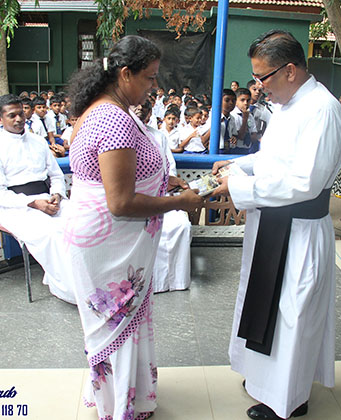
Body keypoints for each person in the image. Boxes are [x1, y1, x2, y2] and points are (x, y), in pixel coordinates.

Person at [63, 35, 203, 419]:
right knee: (118, 324)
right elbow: (121, 202)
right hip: (109, 242)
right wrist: (180, 203)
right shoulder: (113, 119)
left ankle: (124, 396)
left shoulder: (101, 110)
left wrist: (163, 183)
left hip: (103, 237)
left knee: (127, 323)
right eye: (149, 78)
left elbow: (120, 178)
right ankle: (121, 407)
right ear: (125, 74)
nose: (154, 87)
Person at [211, 30, 341, 420]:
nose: (257, 88)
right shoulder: (287, 105)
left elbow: (304, 182)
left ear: (289, 71)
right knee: (263, 305)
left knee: (292, 314)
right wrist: (238, 167)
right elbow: (271, 158)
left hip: (300, 229)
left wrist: (238, 187)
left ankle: (289, 399)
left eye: (262, 78)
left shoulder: (322, 109)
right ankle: (262, 380)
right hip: (272, 224)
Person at [0, 94, 75, 304]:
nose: (18, 119)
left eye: (21, 113)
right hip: (15, 207)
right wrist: (33, 203)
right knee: (52, 233)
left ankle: (88, 280)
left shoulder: (38, 141)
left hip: (47, 198)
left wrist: (57, 195)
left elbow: (56, 175)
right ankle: (67, 288)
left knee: (78, 221)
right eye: (11, 115)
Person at [136, 100, 193, 293]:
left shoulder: (159, 136)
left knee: (180, 225)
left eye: (145, 108)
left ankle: (175, 281)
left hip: (161, 195)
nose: (141, 110)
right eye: (136, 107)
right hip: (134, 201)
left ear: (151, 112)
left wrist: (169, 181)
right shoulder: (121, 134)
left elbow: (169, 169)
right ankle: (148, 284)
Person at [232, 87, 260, 154]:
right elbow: (241, 136)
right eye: (242, 100)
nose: (245, 103)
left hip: (247, 148)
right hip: (235, 149)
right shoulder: (233, 115)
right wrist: (245, 119)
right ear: (236, 101)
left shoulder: (250, 115)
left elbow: (254, 135)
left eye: (248, 100)